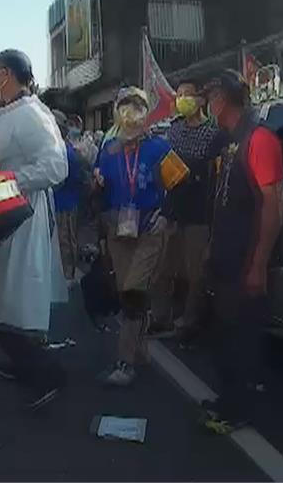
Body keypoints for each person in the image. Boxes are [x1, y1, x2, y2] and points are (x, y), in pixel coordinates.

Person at [0, 49, 70, 410]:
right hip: (3, 216)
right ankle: (22, 362)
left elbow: (57, 168)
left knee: (15, 298)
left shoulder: (31, 114)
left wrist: (9, 181)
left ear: (8, 76)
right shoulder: (9, 113)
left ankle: (46, 373)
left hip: (21, 218)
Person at [200, 70, 283, 434]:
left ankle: (240, 409)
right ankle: (226, 399)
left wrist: (259, 263)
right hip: (226, 255)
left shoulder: (260, 138)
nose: (206, 104)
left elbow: (273, 204)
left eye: (210, 96)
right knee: (223, 333)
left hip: (247, 258)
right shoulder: (229, 139)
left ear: (223, 98)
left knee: (243, 338)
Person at [94, 87, 173, 387]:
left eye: (137, 107)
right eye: (124, 107)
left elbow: (179, 185)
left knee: (132, 293)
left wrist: (165, 214)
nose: (130, 113)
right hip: (118, 230)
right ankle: (140, 351)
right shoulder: (109, 148)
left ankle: (124, 363)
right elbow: (99, 193)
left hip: (149, 229)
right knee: (128, 292)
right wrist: (97, 187)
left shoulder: (159, 148)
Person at [150, 79, 227, 344]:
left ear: (201, 100)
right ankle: (160, 317)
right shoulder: (173, 132)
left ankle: (189, 322)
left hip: (199, 211)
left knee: (195, 273)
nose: (183, 99)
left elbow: (215, 173)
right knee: (162, 269)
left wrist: (191, 172)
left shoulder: (214, 134)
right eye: (179, 94)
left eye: (188, 95)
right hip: (171, 209)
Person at [52, 109, 88, 283]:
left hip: (65, 203)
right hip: (64, 202)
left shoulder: (64, 151)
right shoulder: (64, 149)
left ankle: (69, 275)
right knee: (65, 240)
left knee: (65, 241)